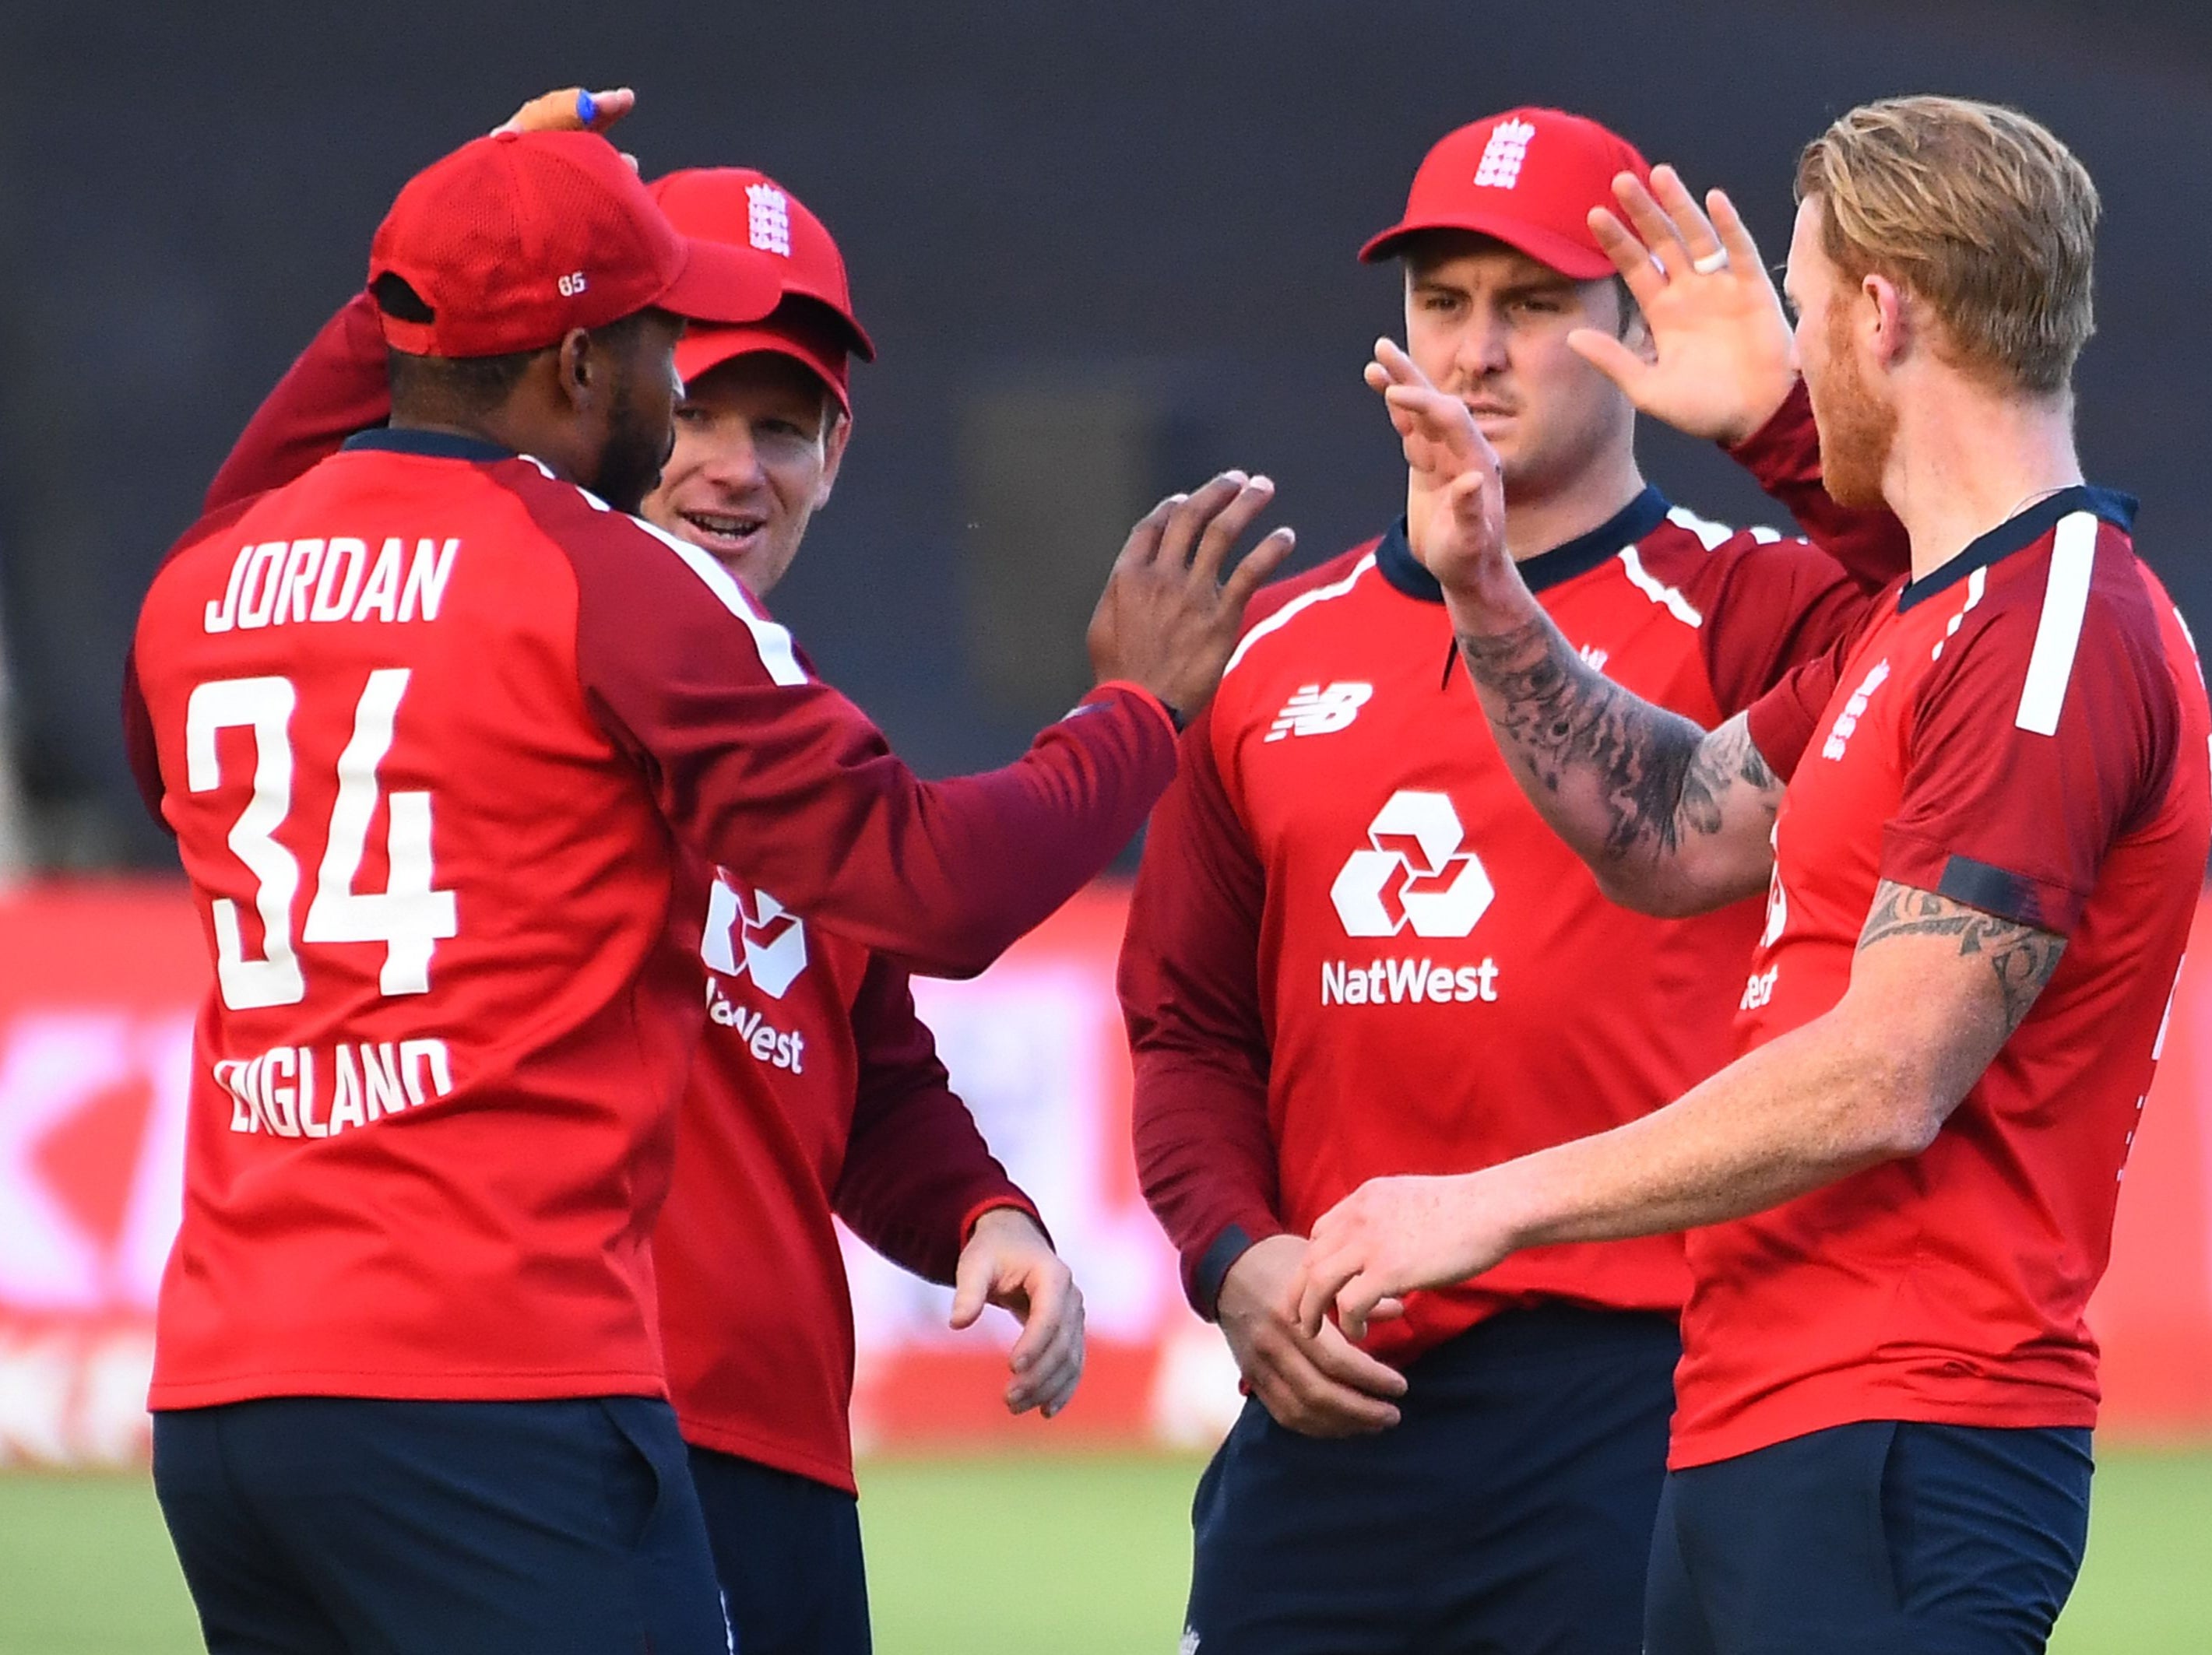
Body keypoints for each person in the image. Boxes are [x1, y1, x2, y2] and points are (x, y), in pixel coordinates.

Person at [126, 126, 1290, 1653]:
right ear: (577, 367)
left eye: (780, 419)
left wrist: (974, 1209)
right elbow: (941, 884)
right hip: (523, 1396)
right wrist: (1131, 716)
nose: (713, 439)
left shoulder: (223, 591)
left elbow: (863, 1063)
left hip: (272, 1391)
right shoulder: (598, 605)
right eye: (672, 366)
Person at [1298, 96, 2210, 1654]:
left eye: (1795, 303)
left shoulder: (2055, 625)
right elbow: (1665, 823)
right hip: (1752, 1427)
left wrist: (1493, 1204)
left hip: (1909, 1435)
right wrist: (1484, 589)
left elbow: (1884, 1076)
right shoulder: (1925, 618)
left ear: (1878, 312)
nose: (1778, 343)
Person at [1119, 107, 1905, 1655]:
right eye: (1442, 301)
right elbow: (1185, 1029)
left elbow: (1963, 596)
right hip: (1338, 1388)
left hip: (1642, 1392)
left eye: (1534, 304)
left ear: (1629, 327)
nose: (1475, 350)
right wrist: (1232, 1256)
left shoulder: (1753, 607)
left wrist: (1775, 428)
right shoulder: (1267, 653)